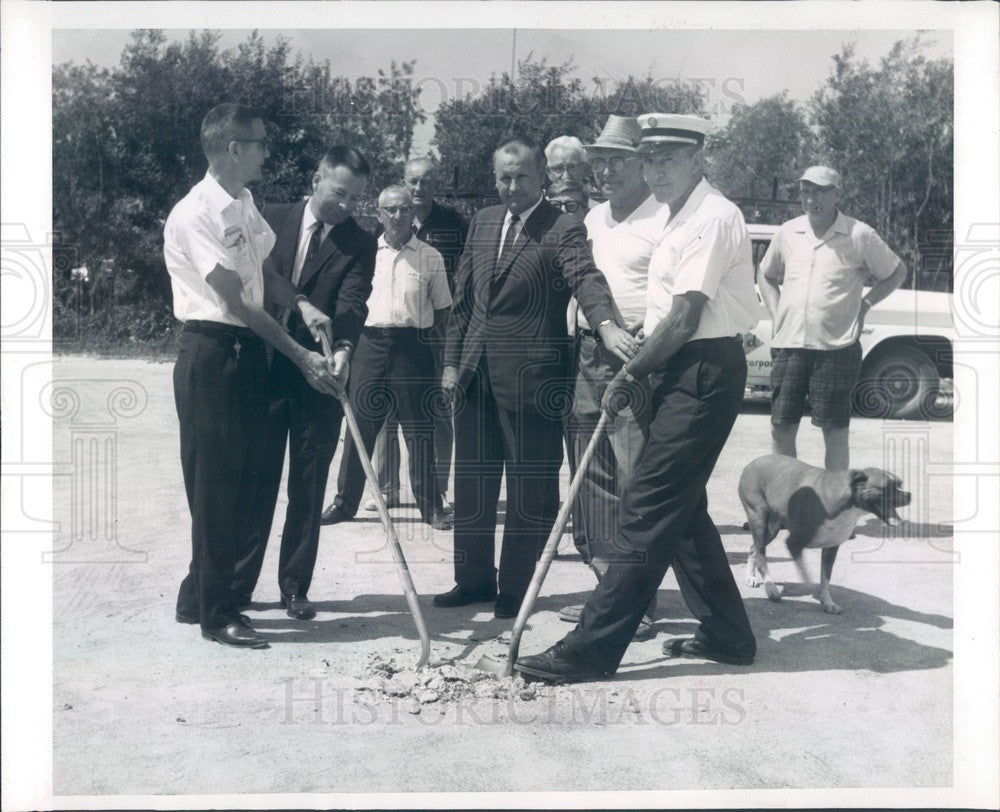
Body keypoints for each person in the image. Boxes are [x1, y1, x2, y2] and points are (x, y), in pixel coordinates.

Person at [515, 114, 759, 682]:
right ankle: (728, 634)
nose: (655, 170)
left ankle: (591, 650)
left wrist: (630, 375)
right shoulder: (678, 216)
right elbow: (667, 319)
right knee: (685, 509)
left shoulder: (714, 216)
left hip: (703, 371)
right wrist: (649, 357)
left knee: (646, 504)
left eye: (667, 158)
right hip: (680, 365)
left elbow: (684, 318)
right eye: (647, 158)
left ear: (699, 158)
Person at [164, 103, 341, 648]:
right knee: (215, 487)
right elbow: (237, 301)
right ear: (233, 148)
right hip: (213, 352)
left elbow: (263, 270)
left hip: (244, 356)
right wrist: (300, 355)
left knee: (240, 483)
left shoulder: (242, 202)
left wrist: (302, 302)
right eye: (260, 142)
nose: (269, 150)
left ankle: (198, 596)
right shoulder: (196, 212)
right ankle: (218, 616)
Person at [436, 137, 633, 619]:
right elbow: (464, 301)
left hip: (533, 381)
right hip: (475, 376)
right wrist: (449, 364)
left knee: (529, 489)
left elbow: (586, 277)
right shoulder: (481, 223)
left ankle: (515, 592)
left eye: (521, 177)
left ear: (540, 177)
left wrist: (605, 324)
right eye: (503, 177)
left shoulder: (564, 227)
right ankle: (474, 580)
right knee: (474, 484)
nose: (512, 186)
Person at [231, 146, 377, 621]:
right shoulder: (269, 217)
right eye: (339, 193)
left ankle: (295, 587)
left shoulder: (361, 241)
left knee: (309, 485)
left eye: (356, 198)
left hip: (321, 382)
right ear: (316, 177)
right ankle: (237, 585)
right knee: (257, 479)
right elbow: (253, 279)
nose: (346, 206)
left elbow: (354, 304)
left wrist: (343, 352)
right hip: (267, 367)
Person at [559, 114, 670, 637]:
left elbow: (674, 295)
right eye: (599, 160)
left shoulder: (664, 218)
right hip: (586, 355)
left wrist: (647, 338)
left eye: (616, 161)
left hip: (637, 359)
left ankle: (639, 600)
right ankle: (607, 589)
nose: (605, 170)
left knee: (633, 475)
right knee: (593, 472)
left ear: (644, 164)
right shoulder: (594, 218)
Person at [320, 186, 453, 531]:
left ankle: (431, 508)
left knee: (419, 430)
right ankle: (344, 503)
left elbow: (443, 314)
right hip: (369, 344)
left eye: (405, 209)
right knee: (358, 427)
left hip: (413, 347)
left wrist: (441, 360)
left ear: (413, 213)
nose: (398, 217)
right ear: (378, 213)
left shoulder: (430, 256)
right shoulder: (364, 253)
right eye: (390, 210)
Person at [759, 165, 906, 471]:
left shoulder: (859, 234)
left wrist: (864, 306)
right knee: (781, 426)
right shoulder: (788, 232)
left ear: (838, 193)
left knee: (835, 431)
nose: (812, 199)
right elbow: (766, 274)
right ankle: (787, 503)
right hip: (789, 345)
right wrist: (777, 314)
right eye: (806, 192)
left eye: (821, 192)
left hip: (836, 348)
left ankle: (833, 509)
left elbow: (895, 272)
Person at [366, 158, 468, 513]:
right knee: (385, 412)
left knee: (436, 410)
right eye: (413, 181)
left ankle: (437, 488)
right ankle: (387, 487)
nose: (419, 188)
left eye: (426, 181)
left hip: (435, 330)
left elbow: (464, 276)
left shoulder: (454, 223)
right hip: (389, 334)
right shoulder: (385, 224)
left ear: (436, 185)